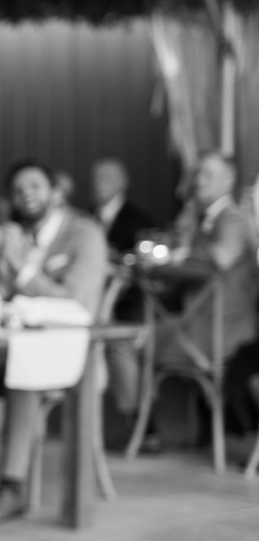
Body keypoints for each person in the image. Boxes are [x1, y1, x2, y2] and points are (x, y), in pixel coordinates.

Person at [0, 159, 107, 524]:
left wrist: (22, 267)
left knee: (24, 372)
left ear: (55, 193)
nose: (26, 194)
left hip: (69, 350)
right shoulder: (17, 234)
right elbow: (2, 293)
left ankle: (11, 485)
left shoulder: (85, 234)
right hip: (4, 343)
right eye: (18, 189)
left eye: (34, 186)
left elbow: (75, 300)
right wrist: (1, 267)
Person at [111, 149, 259, 442]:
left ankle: (143, 430)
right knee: (131, 332)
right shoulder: (200, 221)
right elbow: (179, 279)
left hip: (219, 335)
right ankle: (147, 426)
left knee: (121, 341)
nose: (198, 181)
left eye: (207, 174)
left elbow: (219, 260)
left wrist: (172, 258)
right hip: (194, 326)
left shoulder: (231, 220)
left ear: (229, 179)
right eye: (196, 174)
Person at [91, 157, 152, 257]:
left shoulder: (140, 221)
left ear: (123, 181)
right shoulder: (86, 217)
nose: (99, 183)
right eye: (96, 178)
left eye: (106, 177)